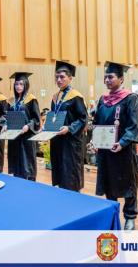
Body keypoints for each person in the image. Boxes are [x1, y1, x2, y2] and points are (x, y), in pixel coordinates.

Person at [94, 62, 138, 230]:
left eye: (111, 77)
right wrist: (95, 141)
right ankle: (113, 214)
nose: (107, 80)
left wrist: (122, 143)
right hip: (106, 151)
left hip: (124, 151)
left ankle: (130, 217)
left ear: (121, 79)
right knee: (109, 183)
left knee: (128, 184)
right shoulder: (103, 100)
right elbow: (97, 123)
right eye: (106, 77)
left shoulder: (130, 98)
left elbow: (134, 125)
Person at [50, 61, 88, 192]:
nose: (59, 80)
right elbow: (53, 115)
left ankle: (74, 197)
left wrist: (69, 128)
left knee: (70, 172)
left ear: (70, 78)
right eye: (57, 77)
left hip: (71, 141)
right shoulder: (55, 97)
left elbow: (83, 118)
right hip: (58, 140)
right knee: (60, 169)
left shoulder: (76, 96)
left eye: (62, 77)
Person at [4, 72, 41, 181]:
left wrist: (28, 126)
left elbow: (36, 119)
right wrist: (5, 124)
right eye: (16, 84)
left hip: (26, 138)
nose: (18, 87)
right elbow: (7, 116)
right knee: (16, 166)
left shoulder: (31, 100)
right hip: (14, 138)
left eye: (21, 84)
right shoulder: (11, 101)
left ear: (26, 85)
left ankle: (30, 185)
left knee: (27, 165)